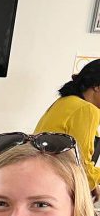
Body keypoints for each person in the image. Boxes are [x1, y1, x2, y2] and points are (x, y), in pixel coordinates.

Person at [34, 58, 100, 195]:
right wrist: (93, 182)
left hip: (42, 180)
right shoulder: (86, 109)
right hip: (56, 185)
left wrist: (92, 183)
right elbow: (81, 164)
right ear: (97, 87)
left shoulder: (65, 102)